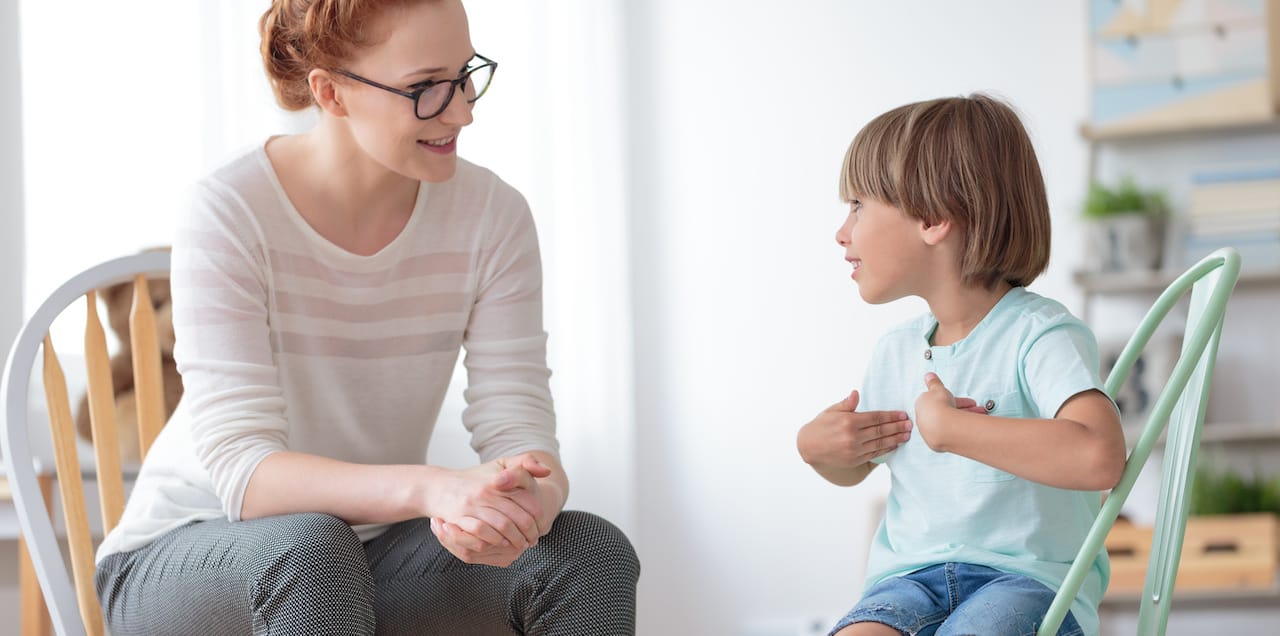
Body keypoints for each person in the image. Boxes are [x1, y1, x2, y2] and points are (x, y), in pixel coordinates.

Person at [92, 1, 639, 634]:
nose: (462, 110)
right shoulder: (229, 210)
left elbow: (519, 425)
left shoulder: (493, 216)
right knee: (311, 552)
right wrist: (433, 489)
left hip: (369, 556)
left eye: (465, 75)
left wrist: (523, 504)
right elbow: (246, 474)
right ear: (330, 92)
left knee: (585, 553)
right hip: (186, 555)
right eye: (425, 88)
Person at [796, 94, 1126, 636]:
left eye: (857, 205)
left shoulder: (1037, 334)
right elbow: (858, 464)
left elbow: (1099, 457)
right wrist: (822, 451)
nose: (842, 231)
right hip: (908, 582)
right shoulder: (895, 350)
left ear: (933, 217)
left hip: (1025, 583)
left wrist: (957, 430)